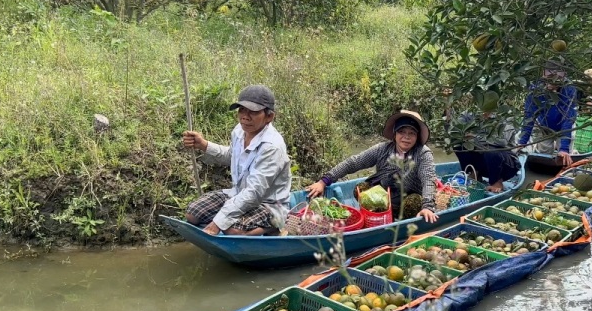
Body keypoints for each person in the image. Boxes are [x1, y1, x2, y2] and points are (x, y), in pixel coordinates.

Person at [182, 84, 291, 236]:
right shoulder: (240, 130)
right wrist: (204, 145)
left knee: (233, 231)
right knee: (192, 214)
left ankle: (275, 226)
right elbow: (232, 156)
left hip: (268, 204)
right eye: (242, 110)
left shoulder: (272, 147)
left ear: (269, 117)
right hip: (238, 194)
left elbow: (254, 193)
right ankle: (235, 219)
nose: (245, 116)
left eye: (253, 112)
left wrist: (218, 222)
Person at [305, 110, 438, 223]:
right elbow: (354, 162)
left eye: (412, 133)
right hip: (384, 198)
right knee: (361, 189)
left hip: (409, 198)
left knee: (413, 203)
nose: (406, 137)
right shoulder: (382, 149)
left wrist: (428, 206)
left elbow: (428, 180)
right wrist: (324, 181)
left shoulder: (423, 153)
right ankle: (376, 218)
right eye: (402, 131)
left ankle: (402, 225)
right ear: (395, 134)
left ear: (417, 136)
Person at [518, 60, 580, 167]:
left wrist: (564, 148)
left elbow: (568, 118)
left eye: (558, 79)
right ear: (543, 74)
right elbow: (529, 116)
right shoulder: (535, 89)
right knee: (543, 157)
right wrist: (522, 141)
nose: (553, 82)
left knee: (564, 159)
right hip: (545, 125)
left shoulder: (569, 89)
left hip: (565, 126)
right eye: (550, 77)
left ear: (563, 77)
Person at [450, 109, 520, 193]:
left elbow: (502, 141)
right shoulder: (469, 114)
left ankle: (496, 181)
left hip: (506, 165)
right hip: (484, 165)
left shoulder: (505, 115)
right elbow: (455, 133)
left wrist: (474, 137)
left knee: (490, 149)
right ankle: (475, 173)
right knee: (458, 145)